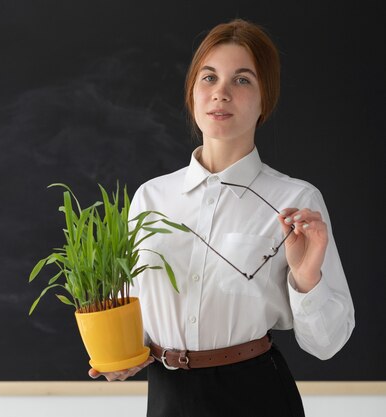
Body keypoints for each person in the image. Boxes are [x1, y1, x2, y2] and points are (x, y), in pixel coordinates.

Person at [88, 18, 355, 417]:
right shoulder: (151, 197)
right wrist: (121, 351)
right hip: (167, 397)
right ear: (192, 93)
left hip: (255, 396)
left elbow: (327, 343)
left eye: (242, 80)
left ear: (266, 98)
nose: (221, 94)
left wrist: (306, 277)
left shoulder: (296, 201)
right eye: (208, 78)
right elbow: (137, 312)